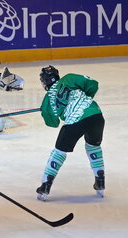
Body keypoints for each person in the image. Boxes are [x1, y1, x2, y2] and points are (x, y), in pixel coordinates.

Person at [36, 65, 105, 201]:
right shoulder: (70, 78)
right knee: (93, 146)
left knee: (59, 152)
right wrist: (86, 99)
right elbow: (92, 84)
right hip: (96, 116)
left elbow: (53, 123)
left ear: (44, 82)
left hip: (75, 122)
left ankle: (45, 185)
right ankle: (100, 182)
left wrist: (46, 110)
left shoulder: (47, 100)